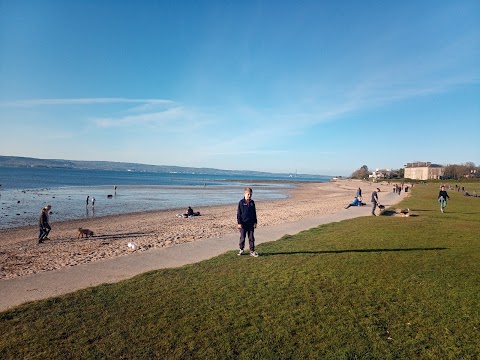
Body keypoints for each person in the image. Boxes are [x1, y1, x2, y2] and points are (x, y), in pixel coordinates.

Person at [237, 187, 258, 257]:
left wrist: (255, 222)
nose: (249, 196)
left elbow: (254, 213)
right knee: (242, 237)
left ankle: (252, 251)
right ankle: (241, 249)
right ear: (245, 194)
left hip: (251, 223)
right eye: (248, 194)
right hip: (243, 223)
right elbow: (238, 214)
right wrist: (239, 223)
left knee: (251, 237)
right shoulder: (241, 202)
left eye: (251, 194)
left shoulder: (252, 202)